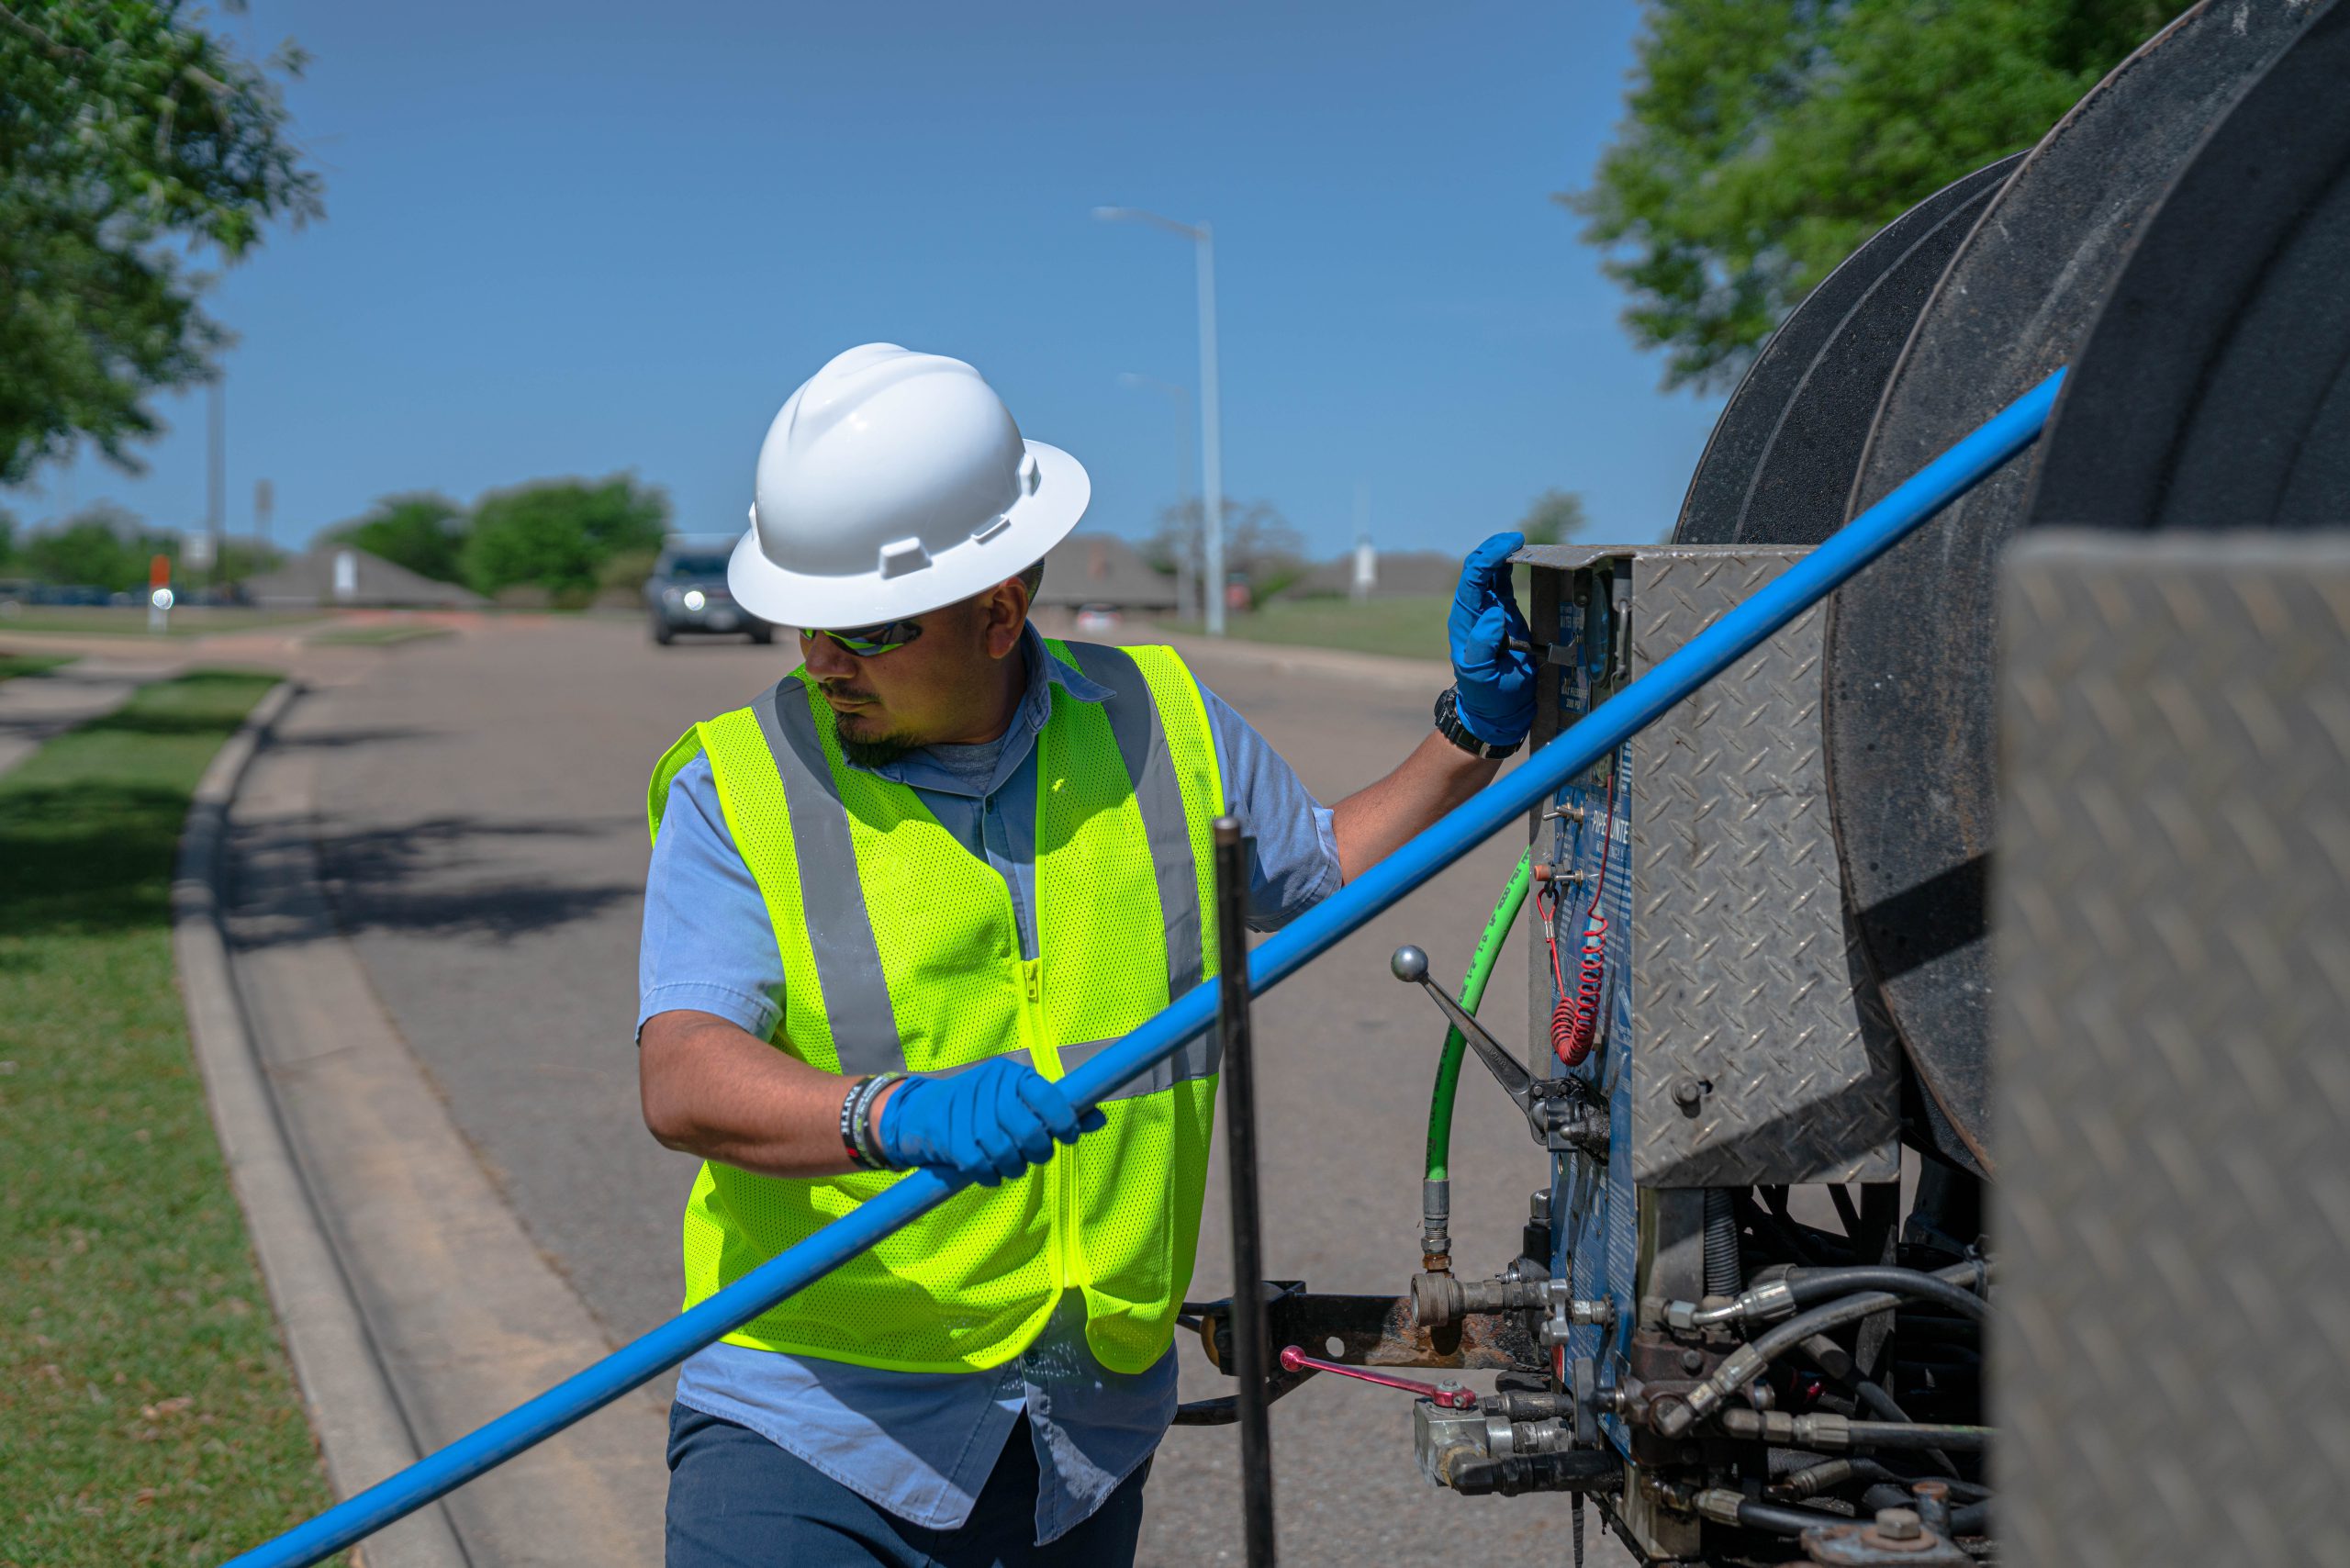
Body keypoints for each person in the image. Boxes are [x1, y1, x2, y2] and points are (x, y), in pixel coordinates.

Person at [637, 342, 1538, 1566]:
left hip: (1078, 1430)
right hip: (815, 1425)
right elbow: (685, 1072)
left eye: (867, 629)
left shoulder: (1161, 720)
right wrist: (891, 1114)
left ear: (1000, 608)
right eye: (807, 623)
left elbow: (1315, 871)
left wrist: (1468, 733)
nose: (822, 661)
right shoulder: (737, 785)